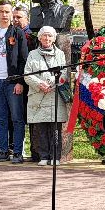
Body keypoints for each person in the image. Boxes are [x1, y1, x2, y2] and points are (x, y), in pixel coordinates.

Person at [0, 1, 28, 163]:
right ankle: (2, 151)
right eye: (1, 11)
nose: (4, 14)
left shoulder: (18, 33)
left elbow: (24, 59)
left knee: (17, 118)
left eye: (7, 12)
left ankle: (17, 152)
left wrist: (20, 82)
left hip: (12, 81)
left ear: (11, 14)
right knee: (0, 118)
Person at [24, 25, 68, 166]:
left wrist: (50, 83)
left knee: (55, 129)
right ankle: (43, 155)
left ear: (54, 38)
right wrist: (40, 84)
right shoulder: (32, 54)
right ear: (39, 38)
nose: (47, 38)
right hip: (38, 94)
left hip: (54, 94)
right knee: (41, 128)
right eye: (44, 35)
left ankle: (55, 156)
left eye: (50, 36)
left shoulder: (60, 54)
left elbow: (64, 73)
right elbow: (27, 74)